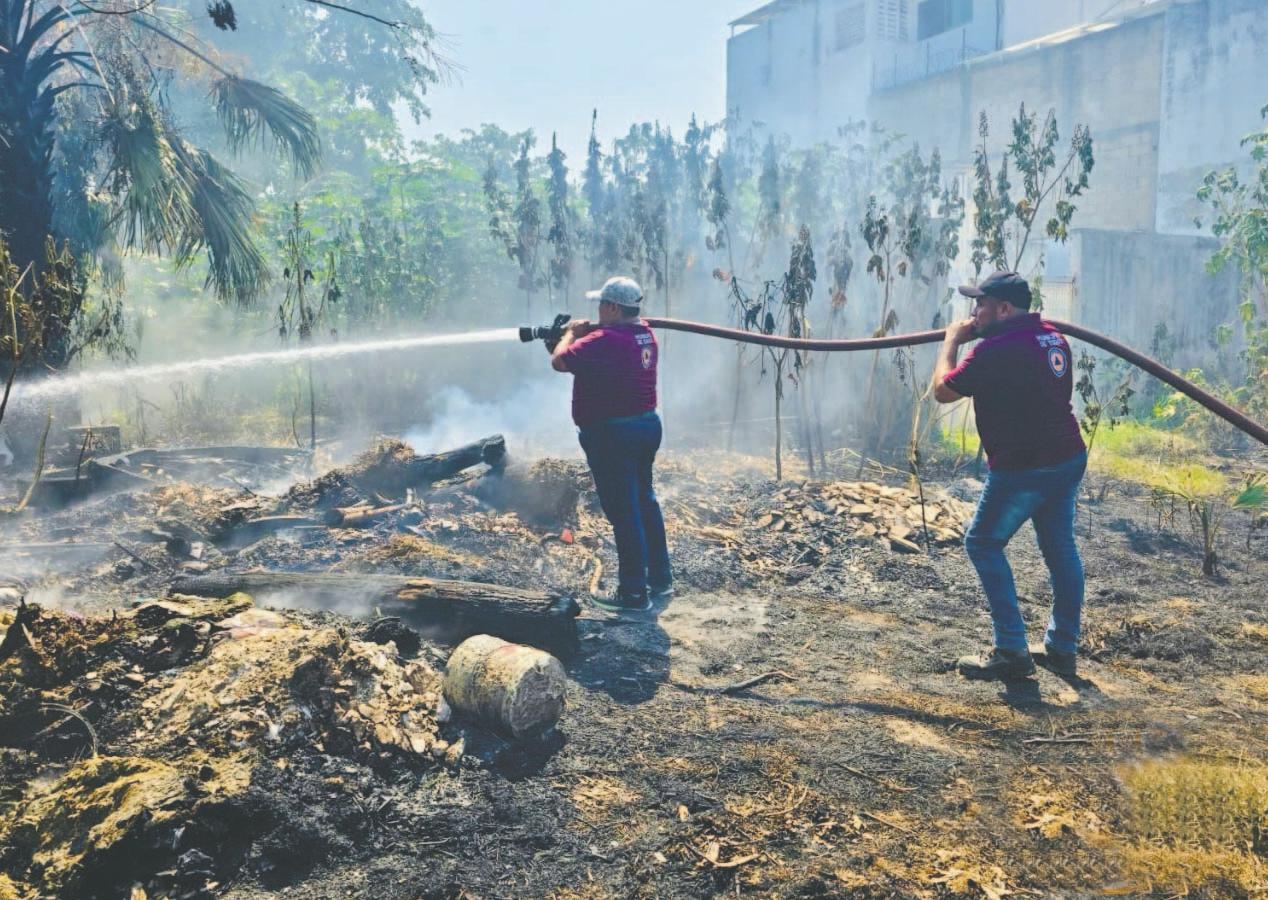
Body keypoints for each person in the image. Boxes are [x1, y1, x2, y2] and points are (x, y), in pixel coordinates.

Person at [931, 271, 1088, 680]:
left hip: (1026, 464)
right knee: (1060, 548)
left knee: (982, 543)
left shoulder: (996, 350)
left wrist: (951, 341)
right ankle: (1062, 648)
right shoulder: (1053, 338)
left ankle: (1011, 650)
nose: (974, 313)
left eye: (980, 305)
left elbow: (943, 391)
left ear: (1003, 309)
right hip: (1067, 456)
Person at [549, 276, 672, 614]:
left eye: (602, 305)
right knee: (645, 503)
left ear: (614, 307)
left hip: (613, 435)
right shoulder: (644, 333)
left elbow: (560, 362)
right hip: (644, 426)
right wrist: (568, 340)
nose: (598, 311)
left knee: (624, 512)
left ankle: (633, 593)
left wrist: (571, 335)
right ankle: (660, 579)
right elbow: (581, 360)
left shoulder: (605, 339)